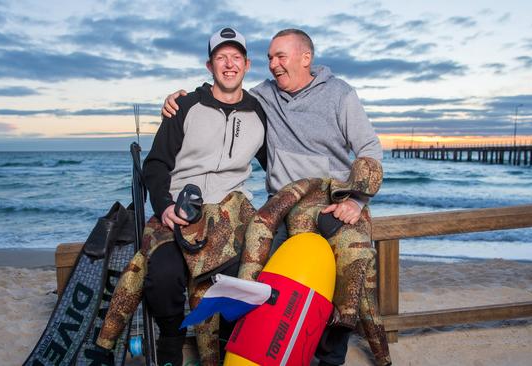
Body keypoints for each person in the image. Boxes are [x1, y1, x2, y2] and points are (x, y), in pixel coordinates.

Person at [162, 29, 391, 366]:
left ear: (305, 58)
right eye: (269, 58)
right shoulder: (264, 96)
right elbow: (226, 93)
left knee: (348, 278)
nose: (273, 65)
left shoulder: (340, 95)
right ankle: (256, 349)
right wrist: (181, 100)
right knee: (262, 279)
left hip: (332, 202)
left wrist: (356, 201)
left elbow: (370, 149)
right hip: (282, 208)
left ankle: (329, 359)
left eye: (280, 56)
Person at [97, 27, 266, 366]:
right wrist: (165, 205)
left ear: (247, 65)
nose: (229, 65)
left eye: (235, 58)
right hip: (180, 207)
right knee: (162, 273)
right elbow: (156, 164)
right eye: (221, 58)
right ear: (210, 65)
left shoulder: (259, 113)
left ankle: (227, 346)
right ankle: (171, 341)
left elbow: (279, 165)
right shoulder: (185, 106)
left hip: (229, 214)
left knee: (239, 275)